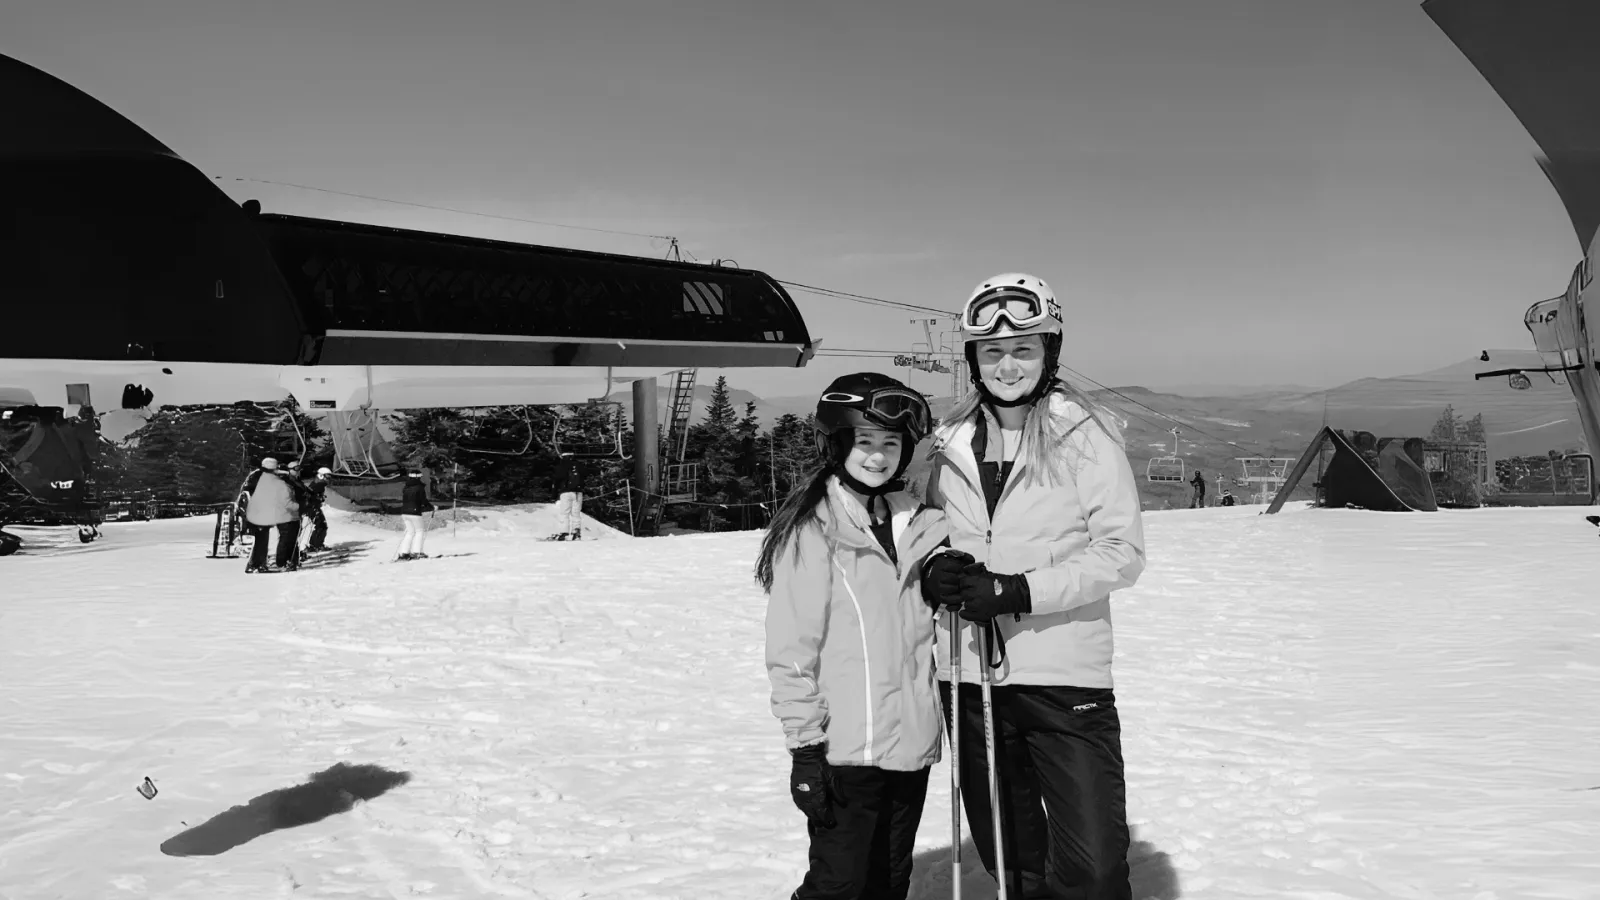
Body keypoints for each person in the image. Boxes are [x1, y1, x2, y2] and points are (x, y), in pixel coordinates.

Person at [921, 272, 1147, 899]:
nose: (1007, 364)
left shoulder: (1086, 435)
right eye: (991, 351)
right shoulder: (948, 443)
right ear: (973, 359)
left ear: (1050, 352)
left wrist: (1020, 592)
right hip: (970, 675)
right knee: (1011, 859)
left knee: (1093, 869)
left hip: (1062, 676)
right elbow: (929, 533)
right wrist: (933, 569)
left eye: (1024, 348)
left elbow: (1121, 554)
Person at [759, 373, 948, 900]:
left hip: (910, 749)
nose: (878, 456)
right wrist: (805, 748)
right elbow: (791, 652)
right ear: (837, 444)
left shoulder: (920, 526)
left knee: (889, 882)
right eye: (865, 442)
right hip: (845, 753)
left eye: (891, 444)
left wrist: (945, 571)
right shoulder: (813, 530)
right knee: (839, 886)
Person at [240, 457, 300, 573]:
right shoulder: (270, 479)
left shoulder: (257, 476)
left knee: (261, 539)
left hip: (256, 511)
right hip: (260, 513)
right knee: (261, 540)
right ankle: (256, 565)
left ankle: (257, 564)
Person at [397, 468, 433, 560]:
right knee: (419, 531)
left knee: (410, 532)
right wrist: (432, 507)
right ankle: (417, 552)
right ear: (418, 478)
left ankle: (404, 552)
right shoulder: (419, 488)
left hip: (404, 512)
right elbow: (423, 501)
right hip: (415, 512)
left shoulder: (406, 487)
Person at [552, 452, 585, 541]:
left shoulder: (562, 465)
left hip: (565, 492)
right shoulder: (579, 465)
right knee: (576, 513)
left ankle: (564, 532)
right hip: (578, 492)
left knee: (564, 513)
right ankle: (576, 532)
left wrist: (554, 494)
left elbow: (557, 479)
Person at [303, 466, 333, 552]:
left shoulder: (320, 484)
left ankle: (316, 544)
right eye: (327, 476)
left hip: (313, 507)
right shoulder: (318, 484)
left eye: (330, 477)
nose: (329, 479)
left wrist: (320, 498)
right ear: (321, 475)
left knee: (321, 525)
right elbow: (309, 496)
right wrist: (317, 499)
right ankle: (316, 545)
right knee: (321, 525)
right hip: (312, 508)